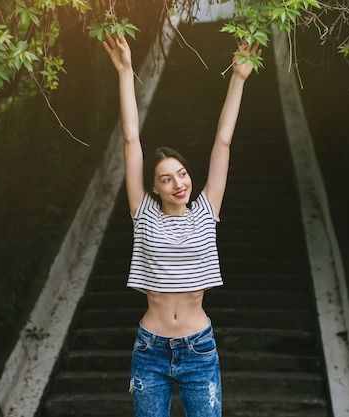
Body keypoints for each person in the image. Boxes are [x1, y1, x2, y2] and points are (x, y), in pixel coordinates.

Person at [103, 31, 259, 417]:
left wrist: (238, 79)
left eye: (183, 173)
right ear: (153, 188)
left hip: (198, 350)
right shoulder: (144, 214)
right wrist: (125, 72)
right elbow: (130, 140)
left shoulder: (207, 211)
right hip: (150, 349)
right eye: (166, 178)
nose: (179, 183)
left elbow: (222, 143)